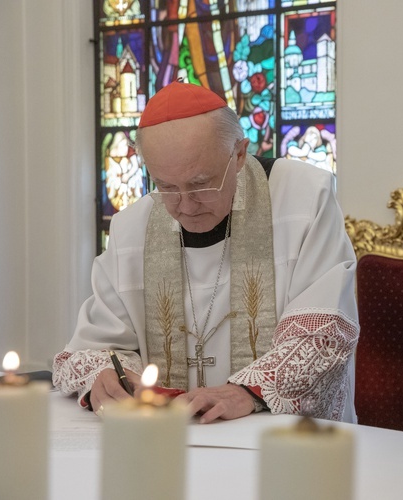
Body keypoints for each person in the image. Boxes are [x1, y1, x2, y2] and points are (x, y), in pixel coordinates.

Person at [53, 81, 359, 424]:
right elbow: (94, 349)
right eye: (166, 187)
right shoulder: (132, 228)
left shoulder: (303, 198)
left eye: (201, 184)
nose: (185, 205)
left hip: (282, 440)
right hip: (168, 443)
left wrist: (246, 391)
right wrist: (111, 379)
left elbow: (324, 332)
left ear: (239, 154)